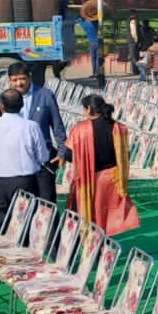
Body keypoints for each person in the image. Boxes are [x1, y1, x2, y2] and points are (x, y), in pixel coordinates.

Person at [64, 95, 141, 236]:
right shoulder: (119, 128)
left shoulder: (80, 129)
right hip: (112, 178)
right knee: (105, 216)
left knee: (91, 215)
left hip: (90, 179)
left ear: (88, 109)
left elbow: (69, 155)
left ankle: (94, 248)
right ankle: (104, 244)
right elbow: (125, 154)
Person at [0, 89, 50, 236]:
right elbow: (43, 157)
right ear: (22, 105)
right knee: (24, 224)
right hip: (25, 181)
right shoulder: (31, 127)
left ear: (1, 106)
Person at [5, 63, 66, 204]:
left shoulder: (45, 95)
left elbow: (57, 125)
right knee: (21, 204)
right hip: (16, 161)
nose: (19, 83)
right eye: (14, 80)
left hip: (42, 160)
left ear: (29, 78)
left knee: (46, 203)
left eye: (22, 79)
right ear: (9, 81)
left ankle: (50, 226)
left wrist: (62, 151)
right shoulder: (4, 99)